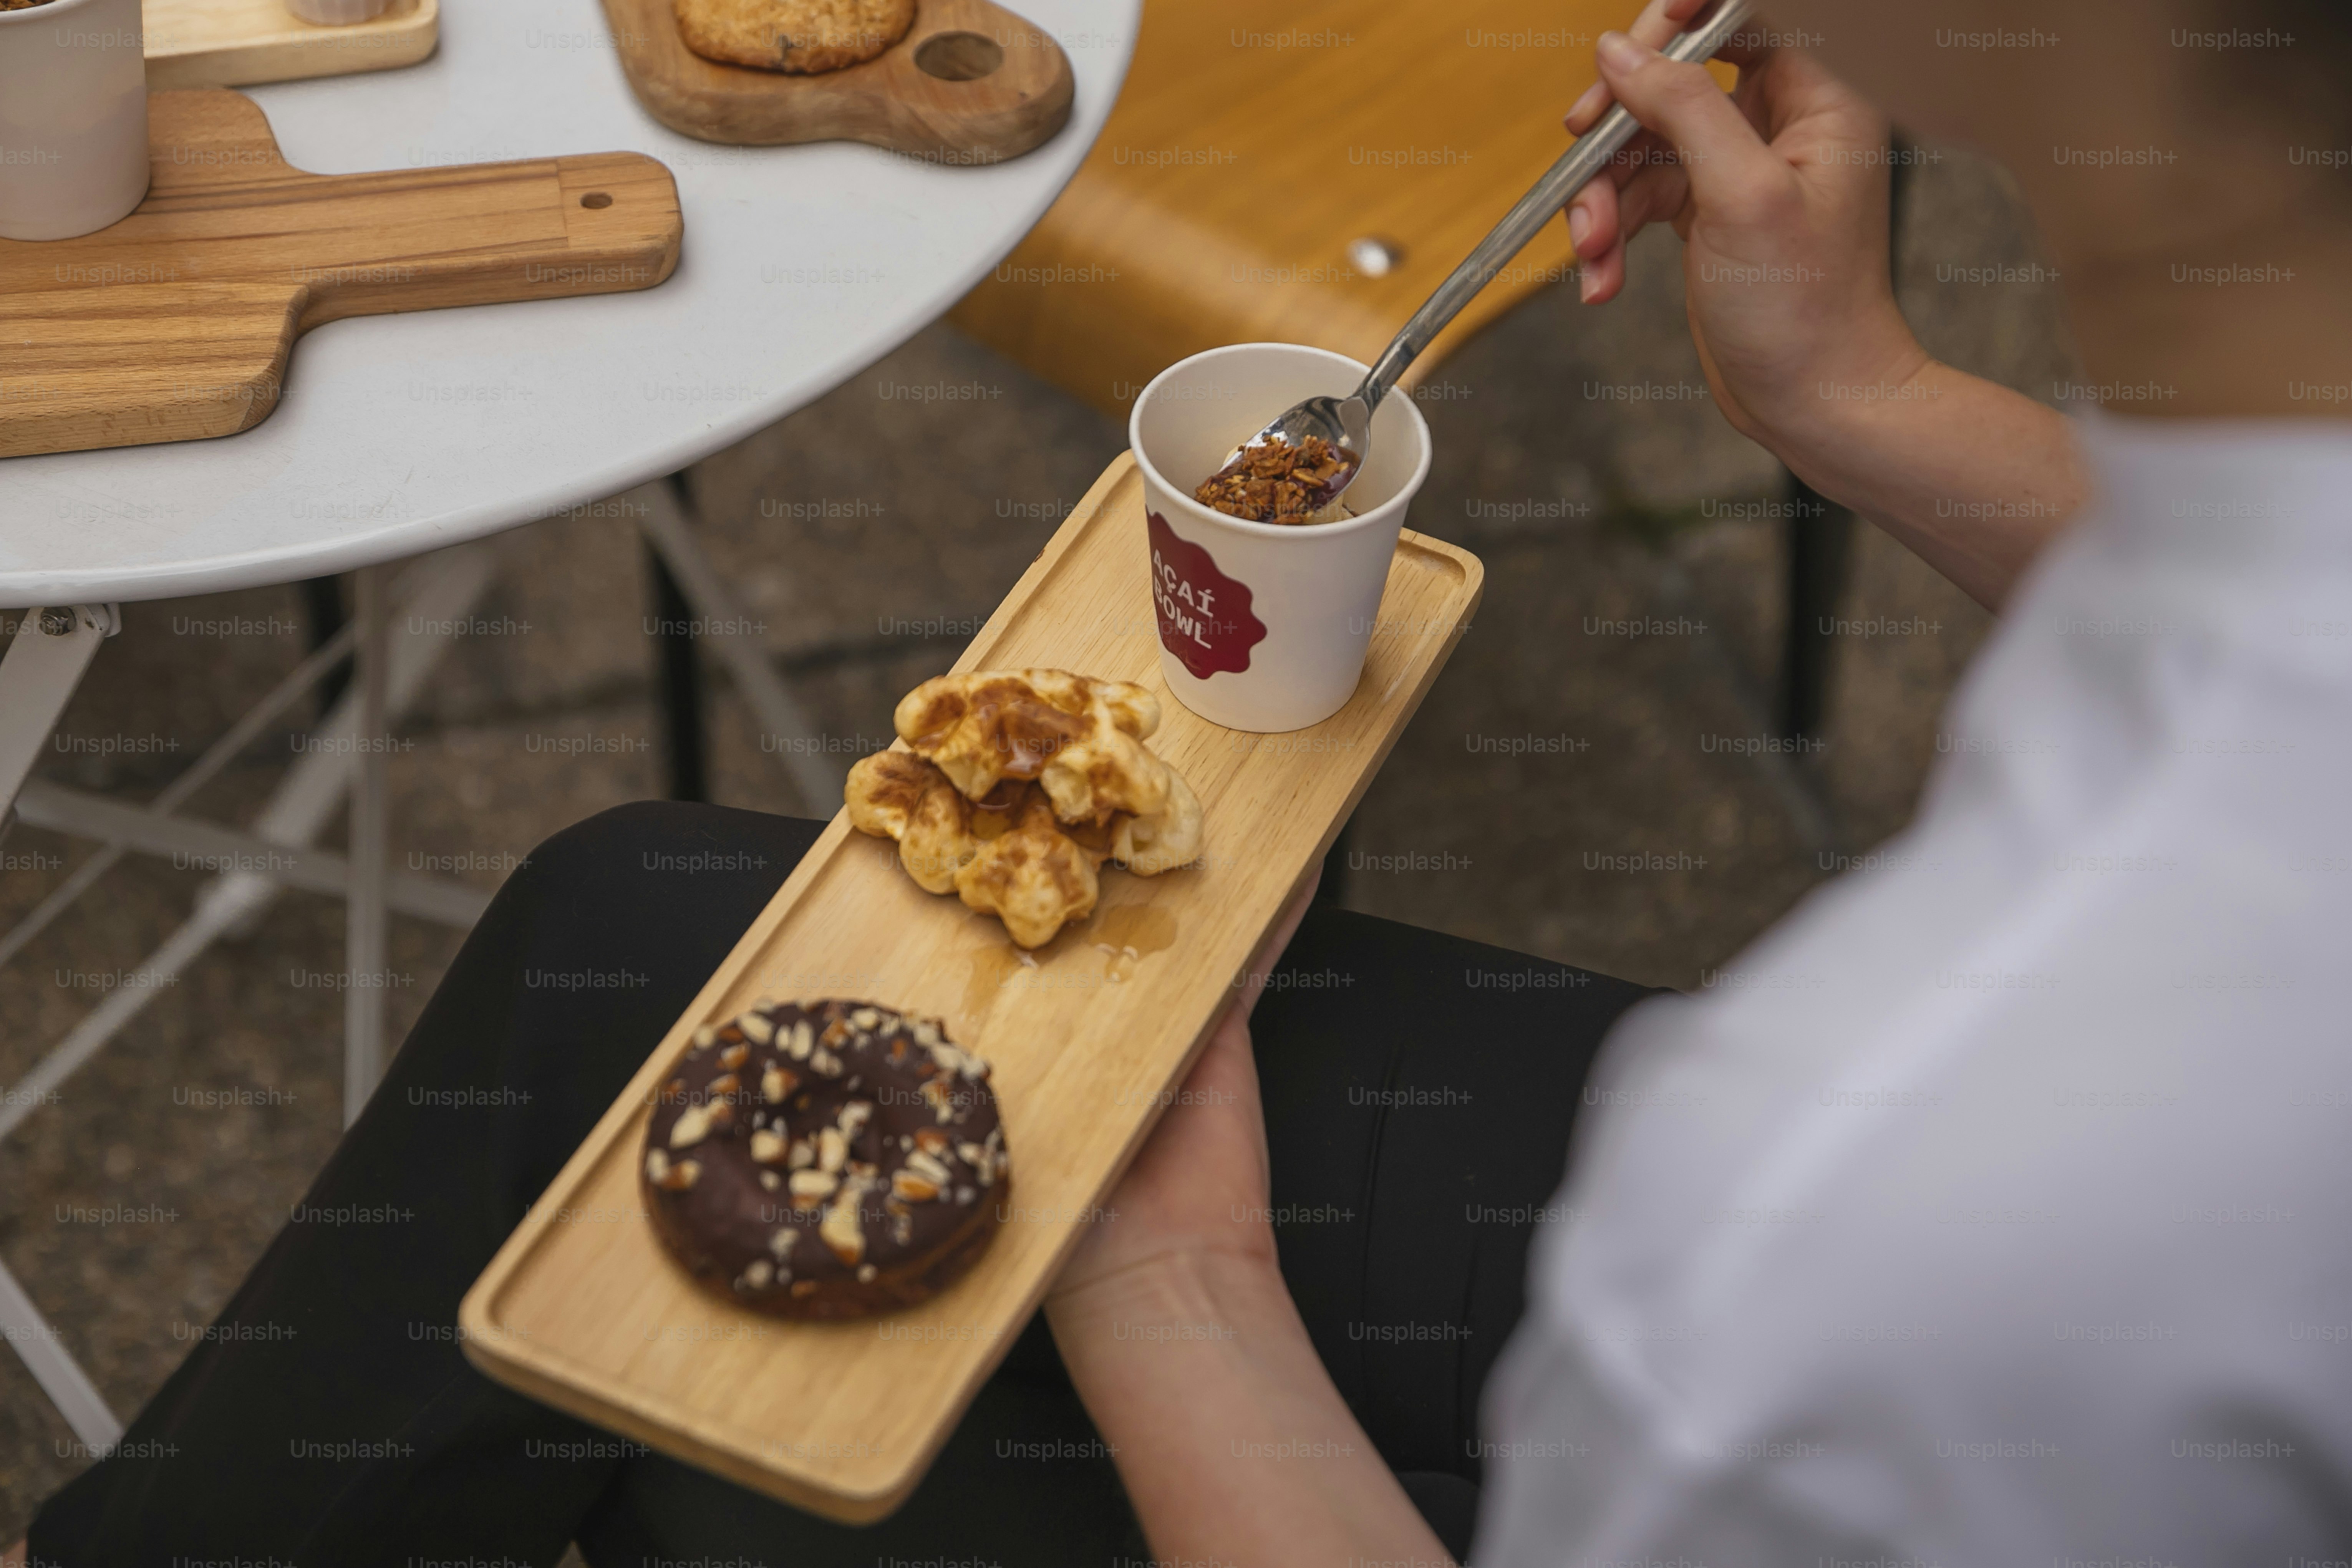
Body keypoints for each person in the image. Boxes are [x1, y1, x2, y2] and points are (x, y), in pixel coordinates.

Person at [15, 0, 2350, 1561]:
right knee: (628, 934)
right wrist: (1863, 396)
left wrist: (1170, 1276)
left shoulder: (1855, 1220)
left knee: (734, 1439)